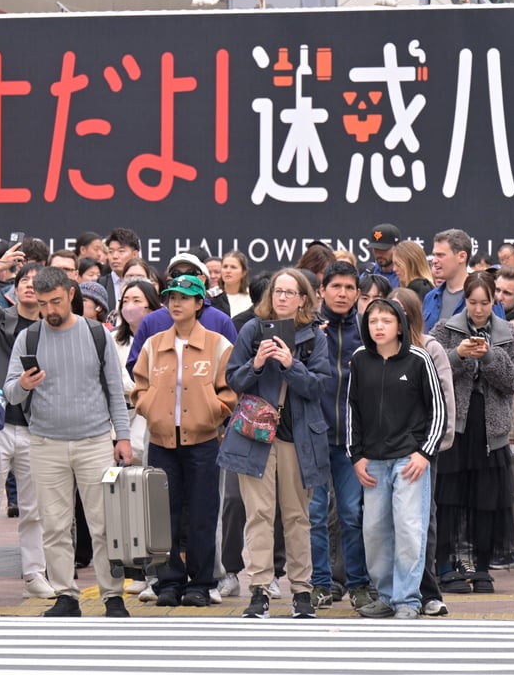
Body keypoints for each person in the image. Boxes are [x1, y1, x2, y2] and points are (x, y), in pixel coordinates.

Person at [3, 267, 133, 618]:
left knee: (104, 523)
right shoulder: (28, 338)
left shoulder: (97, 335)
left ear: (71, 294)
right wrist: (25, 385)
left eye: (56, 301)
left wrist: (122, 437)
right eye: (43, 304)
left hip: (94, 441)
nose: (50, 310)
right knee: (55, 525)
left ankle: (113, 595)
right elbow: (10, 392)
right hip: (45, 444)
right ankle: (66, 595)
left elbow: (114, 392)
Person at [219, 269, 331, 619]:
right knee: (259, 515)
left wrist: (289, 363)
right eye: (277, 291)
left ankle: (301, 591)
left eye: (290, 292)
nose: (282, 297)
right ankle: (259, 590)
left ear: (303, 299)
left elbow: (318, 387)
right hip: (256, 437)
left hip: (297, 439)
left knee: (298, 516)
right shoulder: (253, 329)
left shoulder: (313, 337)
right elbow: (233, 380)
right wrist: (255, 363)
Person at [130, 274, 235, 607]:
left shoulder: (219, 344)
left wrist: (212, 414)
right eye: (172, 297)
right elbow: (139, 387)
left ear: (199, 303)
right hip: (161, 440)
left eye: (185, 297)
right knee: (164, 513)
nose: (176, 302)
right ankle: (169, 581)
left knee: (203, 512)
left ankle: (202, 582)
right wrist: (152, 411)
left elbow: (229, 391)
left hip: (204, 441)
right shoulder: (153, 343)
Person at [430, 272, 514, 595]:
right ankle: (444, 565)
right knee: (448, 500)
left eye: (484, 303)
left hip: (491, 430)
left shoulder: (509, 333)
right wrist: (458, 354)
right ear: (465, 302)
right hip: (455, 429)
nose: (478, 309)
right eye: (472, 302)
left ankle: (481, 567)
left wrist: (489, 355)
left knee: (487, 502)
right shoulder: (445, 330)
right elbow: (431, 369)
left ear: (494, 302)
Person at [348, 299, 447, 619]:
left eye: (386, 321)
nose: (378, 326)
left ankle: (407, 599)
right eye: (373, 320)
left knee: (408, 528)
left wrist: (425, 453)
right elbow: (352, 411)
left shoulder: (419, 359)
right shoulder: (360, 359)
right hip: (372, 462)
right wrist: (356, 456)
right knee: (374, 532)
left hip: (409, 459)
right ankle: (387, 596)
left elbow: (439, 409)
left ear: (401, 326)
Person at [0, 245, 55, 600]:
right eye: (23, 280)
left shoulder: (53, 326)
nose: (30, 286)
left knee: (35, 508)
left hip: (38, 427)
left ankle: (34, 573)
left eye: (37, 281)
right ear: (13, 287)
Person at [307, 261, 372, 611]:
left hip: (353, 441)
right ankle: (319, 583)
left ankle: (358, 584)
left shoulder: (368, 332)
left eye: (349, 288)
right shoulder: (308, 329)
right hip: (314, 436)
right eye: (336, 287)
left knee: (352, 513)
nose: (342, 293)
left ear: (358, 294)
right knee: (315, 514)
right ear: (322, 290)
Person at [388, 286, 456, 616]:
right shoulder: (375, 351)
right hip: (383, 449)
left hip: (421, 449)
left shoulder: (429, 348)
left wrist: (434, 446)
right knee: (387, 521)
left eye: (399, 310)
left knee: (421, 521)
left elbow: (445, 399)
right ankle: (392, 588)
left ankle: (426, 589)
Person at [424, 229, 473, 331]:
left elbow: (500, 343)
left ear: (462, 257)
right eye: (434, 255)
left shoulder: (485, 297)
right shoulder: (430, 298)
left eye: (440, 255)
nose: (434, 261)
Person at [220, 251, 253, 318]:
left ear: (244, 272)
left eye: (233, 267)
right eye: (225, 266)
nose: (228, 271)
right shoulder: (212, 295)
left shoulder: (251, 296)